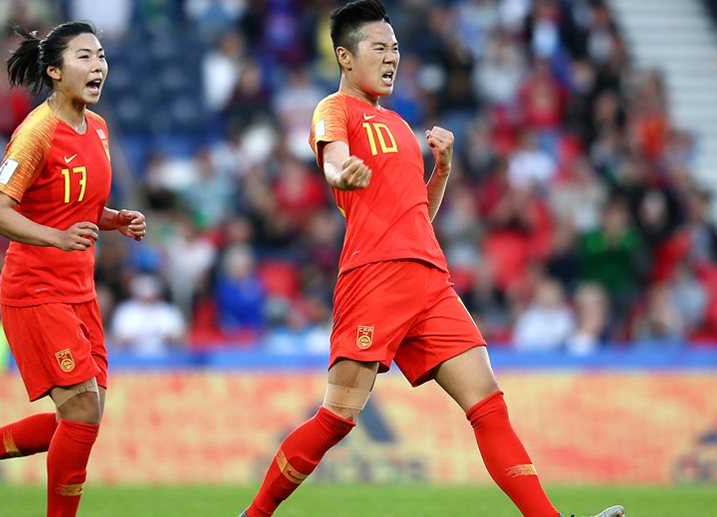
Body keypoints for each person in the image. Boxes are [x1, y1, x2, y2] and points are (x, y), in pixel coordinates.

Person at [238, 2, 624, 517]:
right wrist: (339, 172)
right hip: (374, 276)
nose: (393, 57)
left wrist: (439, 173)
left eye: (396, 48)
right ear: (345, 57)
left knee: (488, 402)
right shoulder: (336, 108)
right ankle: (255, 515)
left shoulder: (398, 122)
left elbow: (415, 210)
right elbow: (331, 157)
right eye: (380, 47)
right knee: (337, 416)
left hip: (429, 277)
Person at [0, 21, 146, 517]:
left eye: (102, 56)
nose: (99, 67)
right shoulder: (35, 132)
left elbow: (73, 206)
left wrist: (114, 220)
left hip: (79, 291)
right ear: (54, 71)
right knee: (83, 416)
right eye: (85, 58)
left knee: (82, 421)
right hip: (36, 290)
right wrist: (58, 238)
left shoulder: (99, 127)